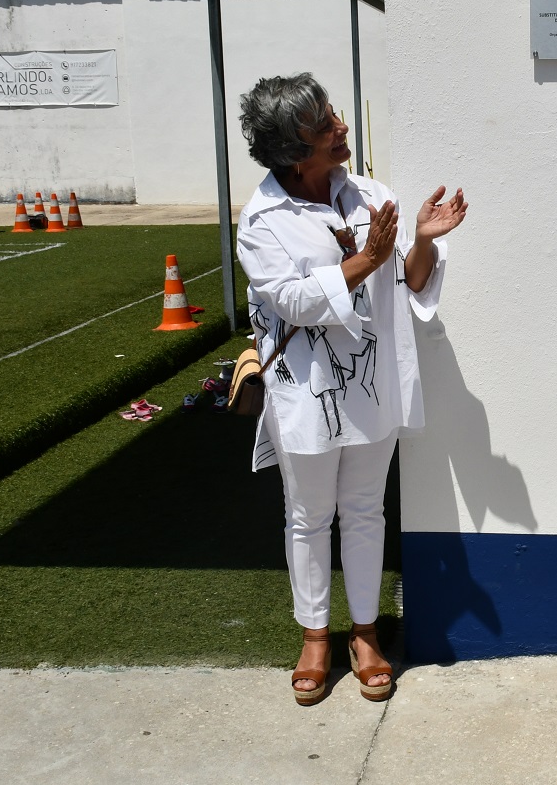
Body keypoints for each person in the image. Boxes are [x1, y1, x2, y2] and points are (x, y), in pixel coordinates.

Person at [235, 73, 467, 706]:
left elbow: (411, 286)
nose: (341, 127)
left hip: (371, 385)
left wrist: (420, 239)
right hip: (303, 391)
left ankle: (364, 634)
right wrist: (365, 259)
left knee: (365, 510)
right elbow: (291, 301)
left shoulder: (369, 194)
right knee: (307, 516)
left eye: (334, 113)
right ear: (291, 149)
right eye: (323, 125)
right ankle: (316, 636)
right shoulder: (261, 220)